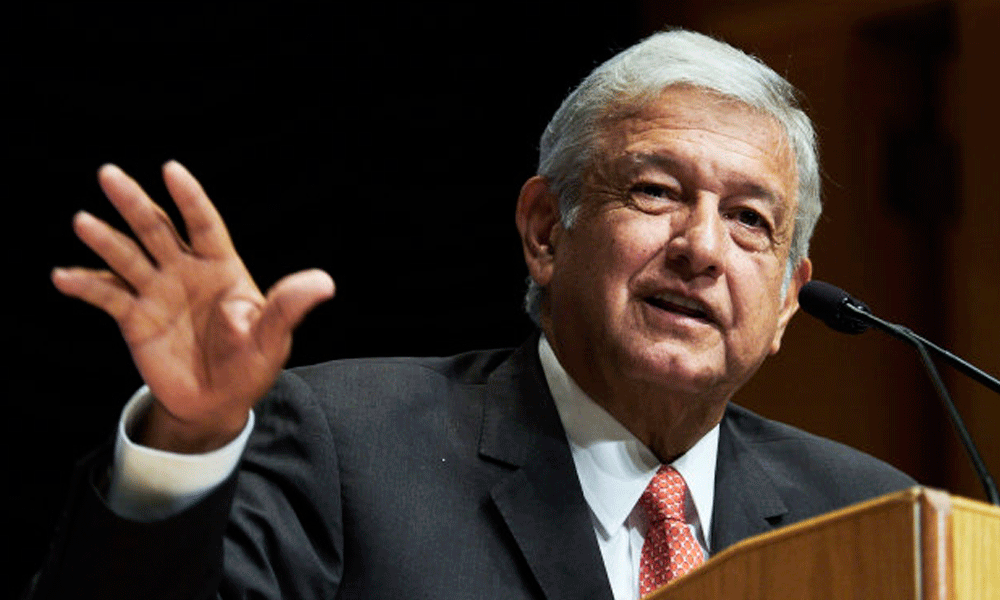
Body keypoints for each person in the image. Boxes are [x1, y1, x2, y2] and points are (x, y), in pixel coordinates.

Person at [30, 29, 914, 600]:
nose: (702, 247)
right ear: (545, 231)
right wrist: (188, 442)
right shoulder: (349, 451)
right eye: (655, 191)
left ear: (788, 298)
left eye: (750, 219)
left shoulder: (871, 518)